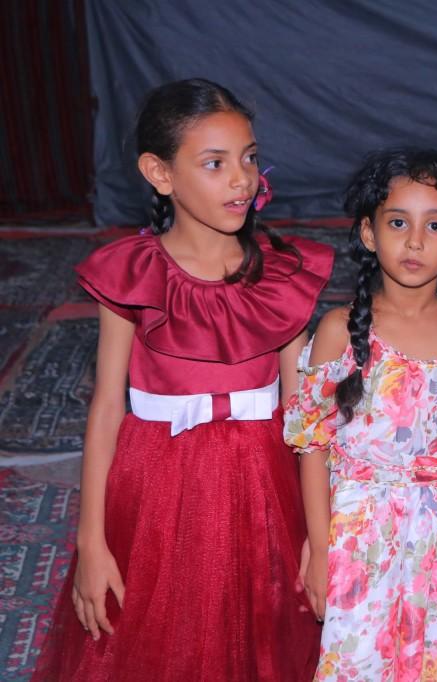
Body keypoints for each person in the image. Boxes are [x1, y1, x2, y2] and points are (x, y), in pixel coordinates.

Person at [33, 78, 330, 681]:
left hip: (265, 485)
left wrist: (319, 539)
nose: (241, 179)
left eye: (249, 158)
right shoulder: (133, 274)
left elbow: (306, 416)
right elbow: (106, 408)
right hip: (157, 490)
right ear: (159, 173)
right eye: (215, 164)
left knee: (264, 633)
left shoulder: (279, 275)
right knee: (160, 637)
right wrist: (91, 541)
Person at [284, 147, 437, 681]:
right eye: (398, 222)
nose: (415, 241)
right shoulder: (339, 330)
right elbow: (311, 446)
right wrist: (320, 549)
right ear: (368, 233)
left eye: (435, 226)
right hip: (362, 540)